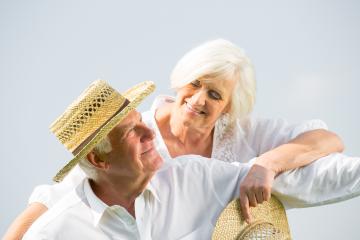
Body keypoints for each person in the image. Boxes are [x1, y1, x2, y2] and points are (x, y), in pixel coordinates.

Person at [3, 39, 345, 239]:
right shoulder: (125, 144)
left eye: (214, 94)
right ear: (180, 80)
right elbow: (51, 209)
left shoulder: (241, 134)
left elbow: (325, 141)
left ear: (228, 107)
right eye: (195, 84)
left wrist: (267, 163)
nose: (199, 100)